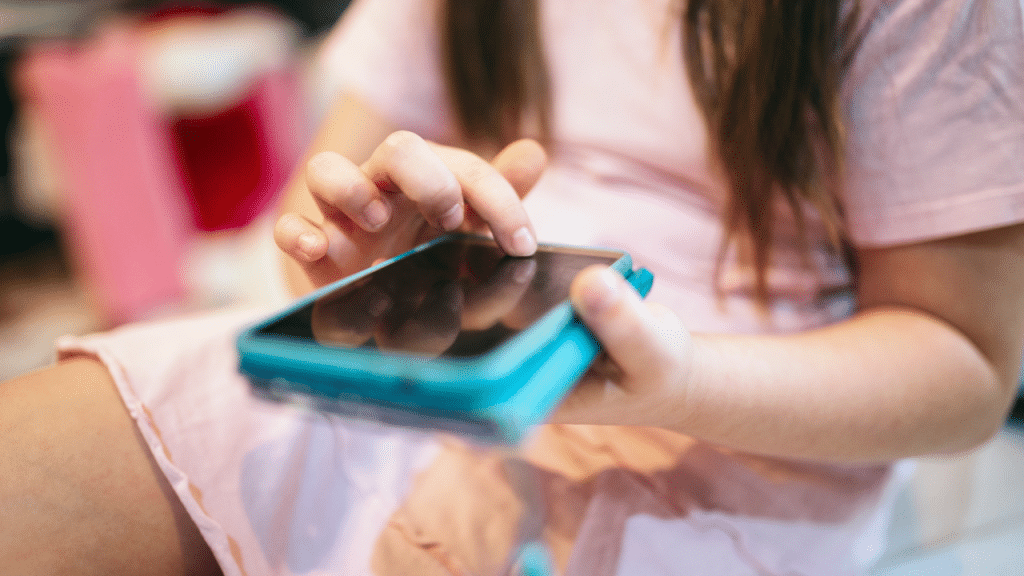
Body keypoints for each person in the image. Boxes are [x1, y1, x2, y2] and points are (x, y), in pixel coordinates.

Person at [3, 0, 1024, 574]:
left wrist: (678, 380)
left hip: (743, 436)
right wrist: (364, 264)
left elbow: (965, 363)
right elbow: (316, 221)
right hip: (414, 379)